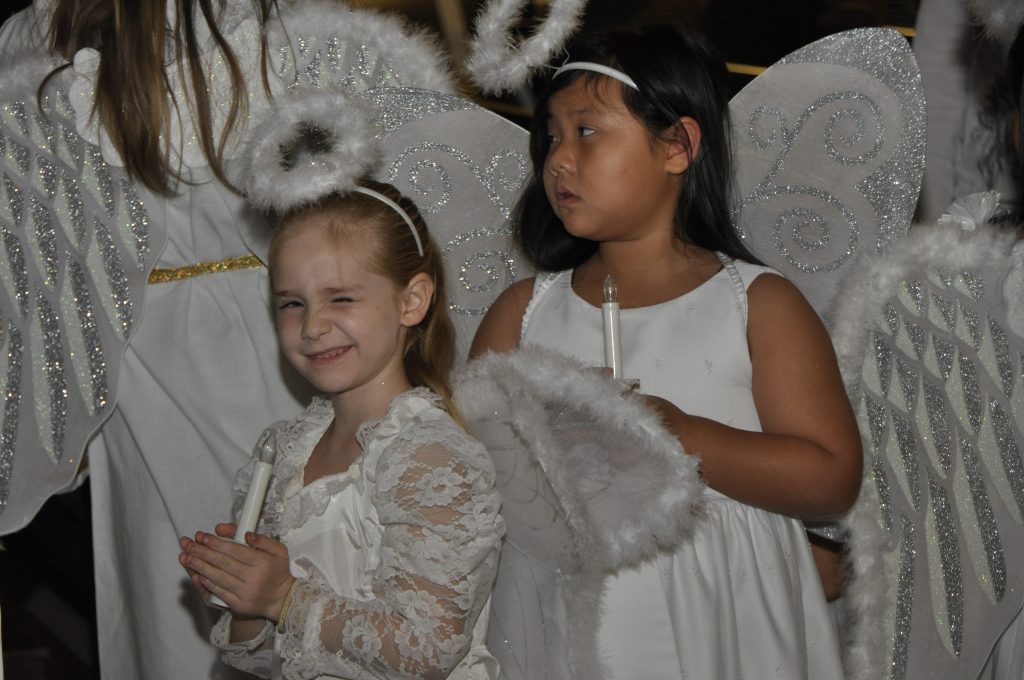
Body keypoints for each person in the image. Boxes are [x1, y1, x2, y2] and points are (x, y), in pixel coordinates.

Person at [0, 1, 453, 678]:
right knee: (177, 582)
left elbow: (379, 185)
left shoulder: (262, 17)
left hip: (290, 333)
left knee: (318, 558)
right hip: (142, 365)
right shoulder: (36, 33)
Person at [470, 24, 863, 679]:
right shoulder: (522, 315)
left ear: (677, 146)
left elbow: (830, 478)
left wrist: (675, 433)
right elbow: (474, 474)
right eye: (551, 138)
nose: (559, 159)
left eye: (587, 131)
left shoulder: (757, 305)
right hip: (569, 621)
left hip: (723, 612)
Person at [178, 181, 505, 679]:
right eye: (292, 303)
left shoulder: (429, 457)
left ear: (412, 301)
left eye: (341, 298)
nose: (312, 326)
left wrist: (282, 596)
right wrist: (244, 598)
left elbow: (427, 650)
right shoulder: (286, 449)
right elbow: (265, 659)